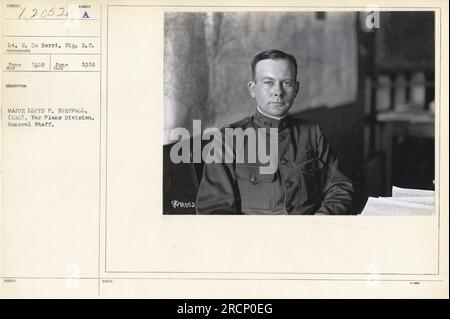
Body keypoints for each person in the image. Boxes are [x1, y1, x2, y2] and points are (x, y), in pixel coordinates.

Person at [196, 49, 354, 215]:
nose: (278, 91)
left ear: (296, 89)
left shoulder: (312, 134)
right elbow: (214, 211)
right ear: (252, 89)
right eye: (268, 83)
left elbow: (340, 188)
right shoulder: (228, 139)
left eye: (287, 82)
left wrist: (319, 220)